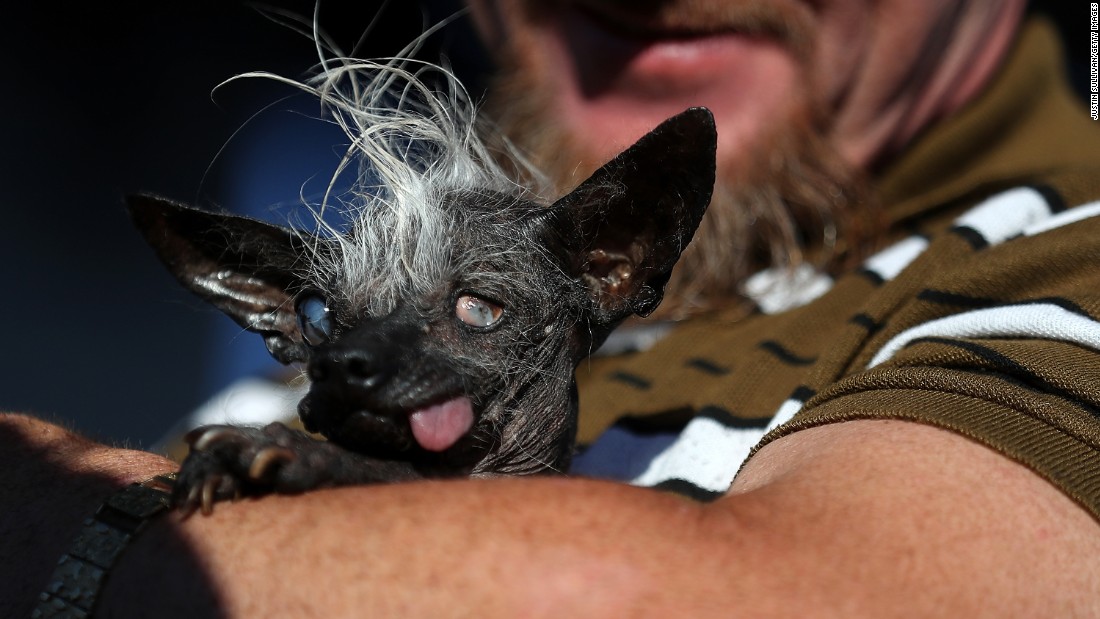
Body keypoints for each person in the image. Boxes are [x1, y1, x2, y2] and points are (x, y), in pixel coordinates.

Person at [6, 0, 1100, 616]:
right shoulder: (394, 285)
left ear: (624, 250)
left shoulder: (1065, 253)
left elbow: (633, 600)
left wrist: (56, 517)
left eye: (478, 310)